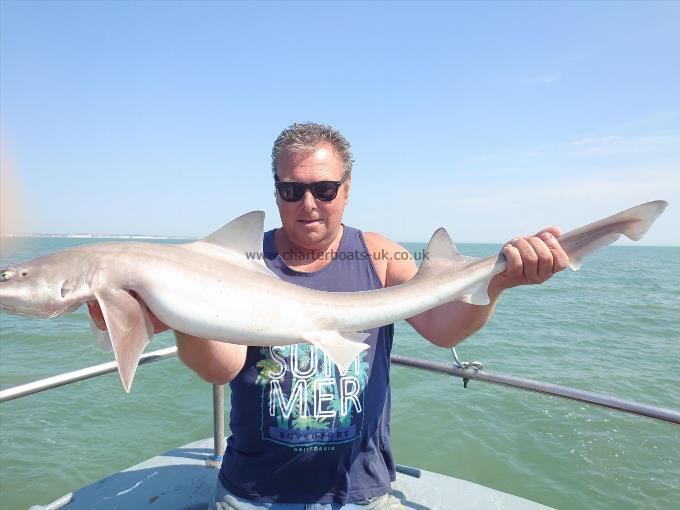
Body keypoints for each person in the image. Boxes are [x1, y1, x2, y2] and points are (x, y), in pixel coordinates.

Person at [89, 122, 569, 509]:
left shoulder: (381, 255)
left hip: (360, 489)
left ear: (347, 188)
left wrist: (499, 281)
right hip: (254, 491)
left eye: (323, 187)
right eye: (292, 189)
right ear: (275, 192)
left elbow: (444, 330)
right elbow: (221, 368)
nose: (309, 204)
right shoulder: (239, 263)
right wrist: (175, 310)